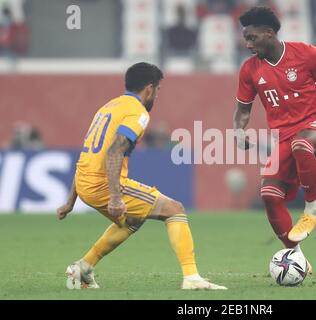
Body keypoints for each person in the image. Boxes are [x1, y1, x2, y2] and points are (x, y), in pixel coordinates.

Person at [56, 62, 226, 290]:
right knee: (175, 209)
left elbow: (88, 153)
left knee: (133, 220)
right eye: (157, 91)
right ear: (149, 88)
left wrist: (70, 201)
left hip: (86, 183)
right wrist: (115, 197)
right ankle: (192, 277)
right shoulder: (138, 112)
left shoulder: (108, 107)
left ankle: (83, 268)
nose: (156, 95)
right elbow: (114, 151)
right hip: (103, 185)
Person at [233, 7, 316, 266]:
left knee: (302, 143)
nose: (247, 44)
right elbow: (243, 110)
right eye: (245, 38)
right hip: (285, 137)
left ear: (269, 33)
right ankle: (296, 256)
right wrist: (238, 130)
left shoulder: (307, 54)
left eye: (252, 38)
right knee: (269, 194)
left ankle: (311, 208)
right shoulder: (249, 70)